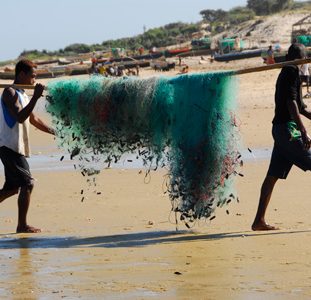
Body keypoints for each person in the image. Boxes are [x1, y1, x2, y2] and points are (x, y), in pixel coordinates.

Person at [252, 43, 311, 231]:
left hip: (281, 130)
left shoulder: (290, 73)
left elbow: (300, 107)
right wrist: (303, 131)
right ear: (300, 60)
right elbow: (291, 103)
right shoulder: (290, 72)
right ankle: (259, 220)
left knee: (273, 175)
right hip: (287, 131)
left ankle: (258, 221)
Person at [0, 59, 55, 233]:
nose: (34, 80)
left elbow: (33, 119)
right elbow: (20, 117)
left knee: (11, 188)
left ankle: (22, 224)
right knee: (28, 183)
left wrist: (54, 131)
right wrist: (36, 97)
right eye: (32, 76)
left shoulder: (23, 94)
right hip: (8, 146)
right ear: (22, 74)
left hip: (17, 147)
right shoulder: (9, 92)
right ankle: (22, 225)